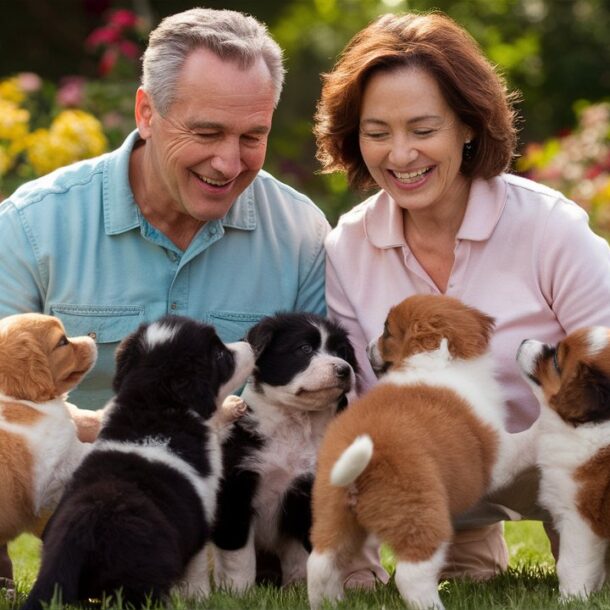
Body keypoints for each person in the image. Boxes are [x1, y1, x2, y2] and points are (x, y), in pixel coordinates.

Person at [0, 7, 332, 591]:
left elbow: (321, 414)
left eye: (252, 136)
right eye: (206, 133)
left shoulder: (302, 234)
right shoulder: (32, 227)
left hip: (243, 520)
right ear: (147, 112)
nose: (229, 163)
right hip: (82, 522)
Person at [314, 10, 610, 580]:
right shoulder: (347, 246)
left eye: (423, 131)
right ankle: (469, 545)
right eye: (378, 133)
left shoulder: (551, 227)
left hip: (563, 458)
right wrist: (354, 564)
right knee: (463, 574)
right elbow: (359, 413)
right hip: (441, 477)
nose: (400, 156)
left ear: (468, 126)